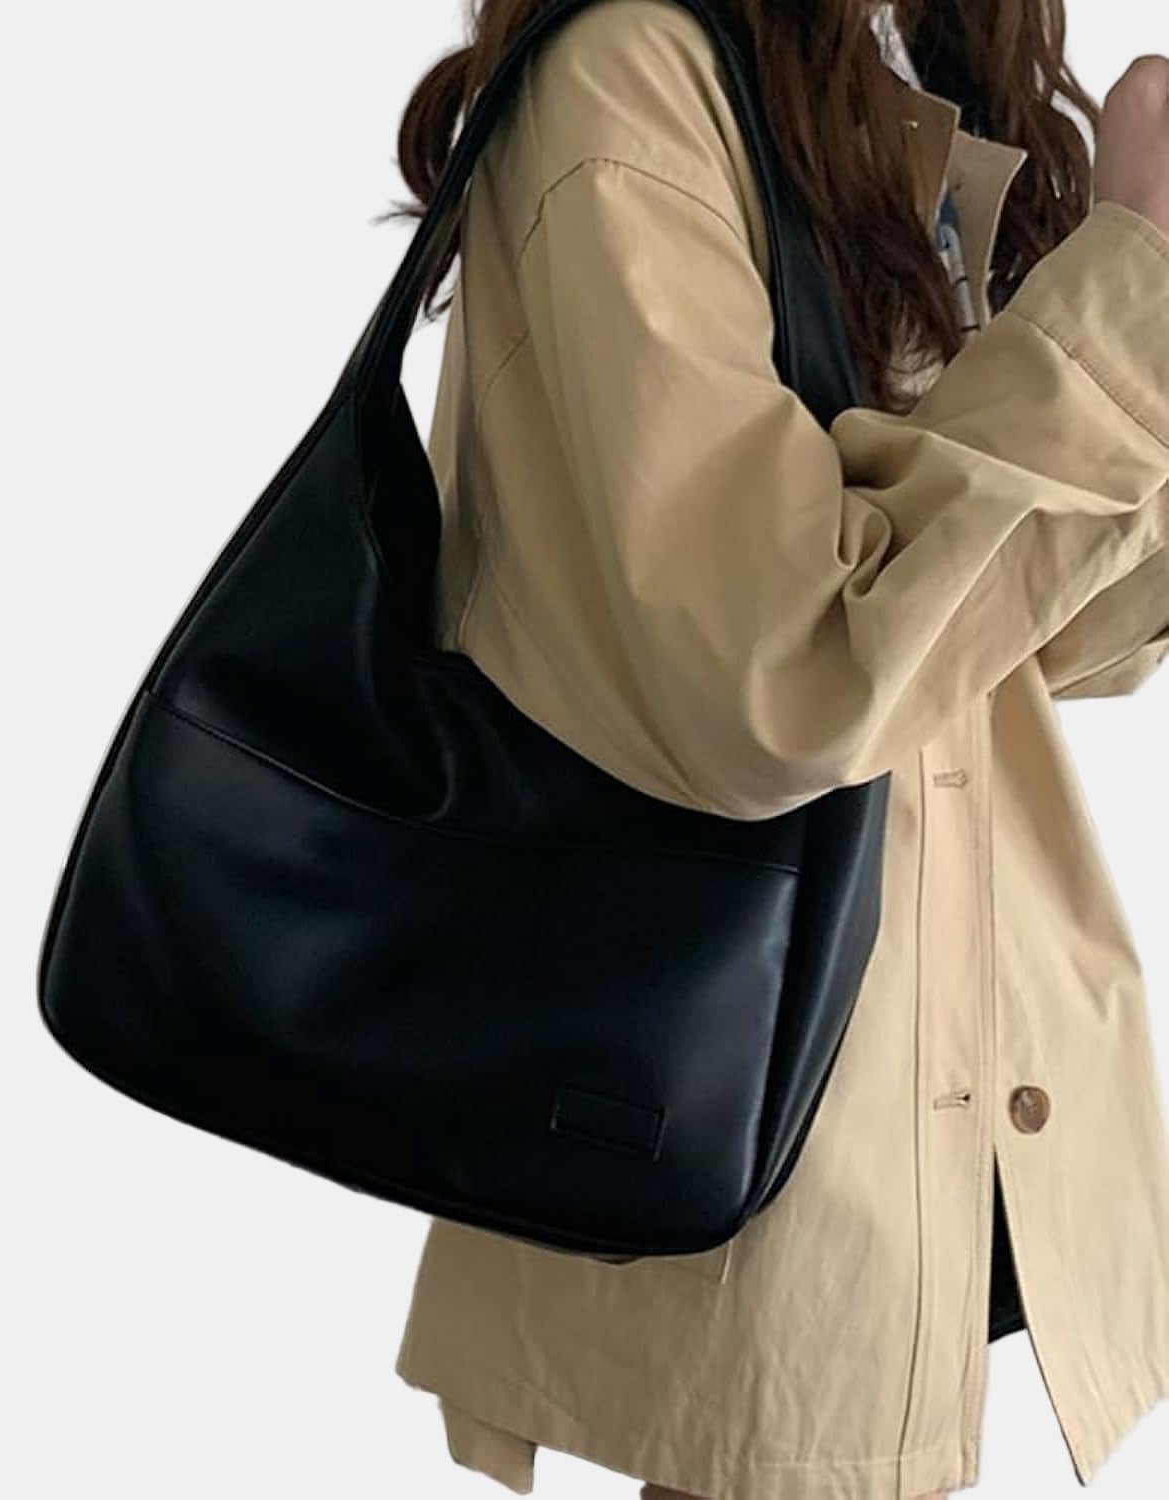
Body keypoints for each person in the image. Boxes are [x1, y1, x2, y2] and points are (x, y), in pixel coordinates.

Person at [385, 1, 1169, 1497]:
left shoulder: (896, 61)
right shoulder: (634, 73)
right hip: (767, 1115)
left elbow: (1036, 643)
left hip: (947, 1069)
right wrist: (1131, 300)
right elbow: (779, 672)